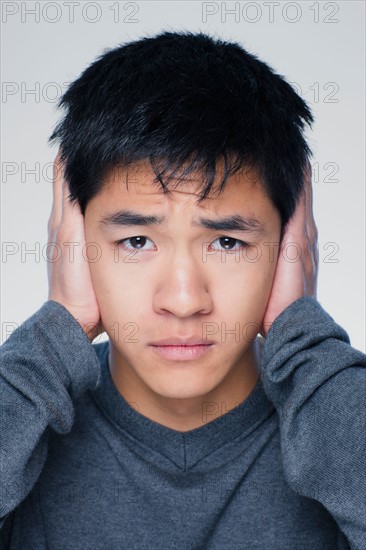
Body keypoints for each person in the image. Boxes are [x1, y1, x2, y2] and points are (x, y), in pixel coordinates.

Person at [0, 30, 365, 549]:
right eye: (136, 240)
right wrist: (57, 332)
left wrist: (300, 334)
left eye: (227, 243)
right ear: (74, 236)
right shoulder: (25, 424)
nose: (184, 299)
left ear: (290, 239)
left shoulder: (334, 413)